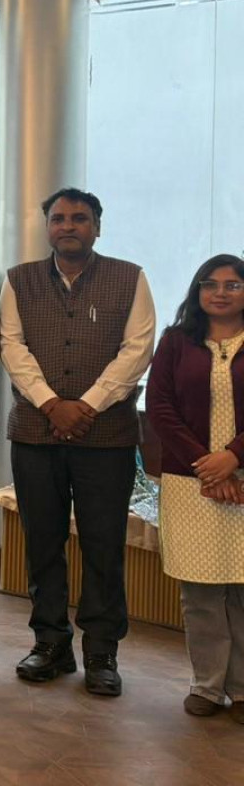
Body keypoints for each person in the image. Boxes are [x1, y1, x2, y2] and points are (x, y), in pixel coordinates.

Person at [0, 187, 155, 697]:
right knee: (42, 543)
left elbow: (137, 349)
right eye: (59, 218)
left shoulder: (130, 278)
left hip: (106, 437)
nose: (68, 226)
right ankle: (50, 644)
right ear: (48, 226)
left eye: (80, 218)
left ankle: (102, 652)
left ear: (97, 227)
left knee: (104, 546)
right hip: (35, 434)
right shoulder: (19, 280)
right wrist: (51, 404)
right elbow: (12, 347)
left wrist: (86, 405)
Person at [145, 254, 244, 721]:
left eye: (232, 284)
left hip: (241, 476)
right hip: (190, 481)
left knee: (242, 589)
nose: (220, 293)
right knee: (201, 590)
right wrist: (209, 467)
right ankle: (207, 686)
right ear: (197, 291)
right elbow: (160, 408)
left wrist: (234, 458)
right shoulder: (175, 341)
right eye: (210, 284)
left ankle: (242, 689)